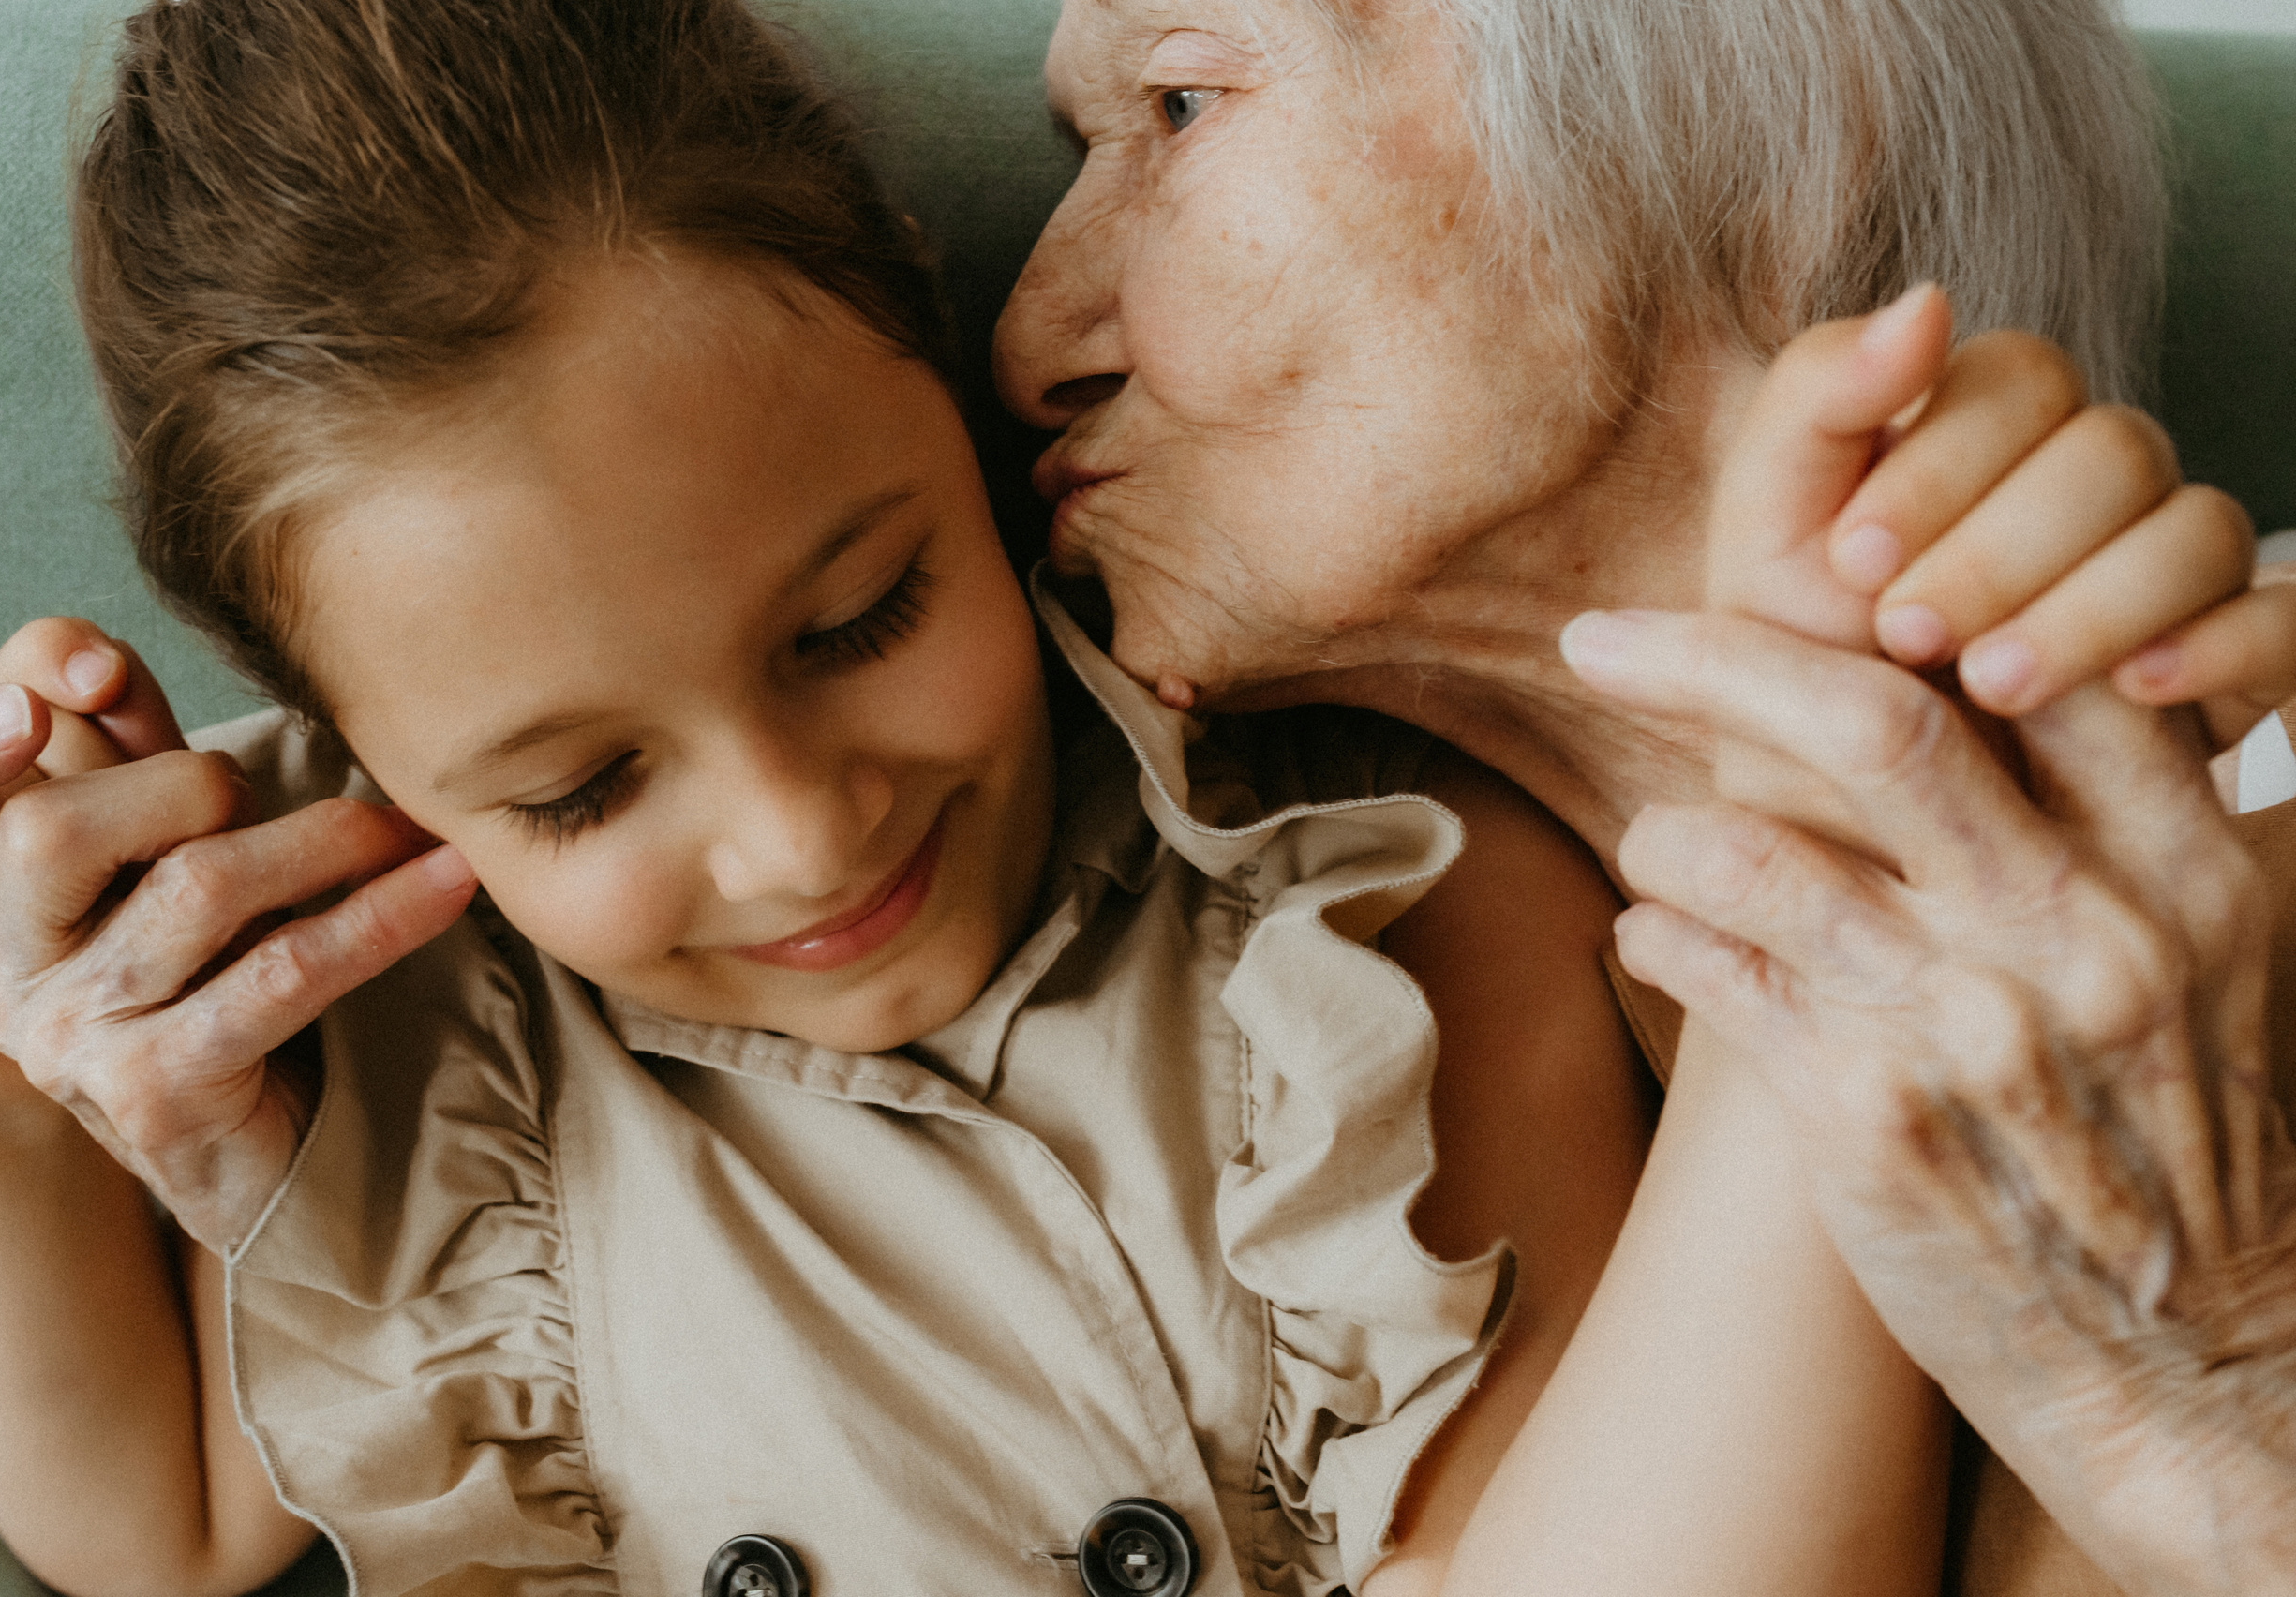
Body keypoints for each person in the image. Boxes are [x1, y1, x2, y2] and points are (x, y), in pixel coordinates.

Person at [0, 7, 2281, 1597]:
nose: (1027, 332)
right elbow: (159, 1505)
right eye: (578, 779)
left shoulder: (1371, 919)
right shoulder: (466, 1026)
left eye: (1178, 104)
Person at [984, 0, 2296, 1590]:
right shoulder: (1331, 1058)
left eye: (1184, 104)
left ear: (1780, 139)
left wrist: (2218, 1384)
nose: (1031, 341)